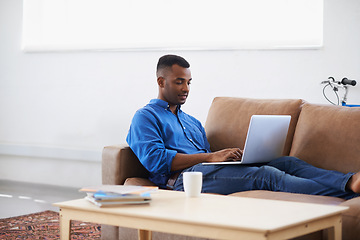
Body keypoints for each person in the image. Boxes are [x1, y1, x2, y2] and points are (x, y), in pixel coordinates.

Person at [126, 54, 360, 200]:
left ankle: (348, 181)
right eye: (179, 82)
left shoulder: (192, 121)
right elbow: (155, 161)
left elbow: (211, 159)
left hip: (207, 170)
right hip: (181, 180)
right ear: (161, 81)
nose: (186, 88)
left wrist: (229, 157)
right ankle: (347, 194)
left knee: (287, 162)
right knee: (266, 175)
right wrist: (211, 157)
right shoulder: (145, 117)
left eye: (188, 82)